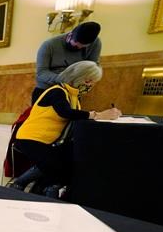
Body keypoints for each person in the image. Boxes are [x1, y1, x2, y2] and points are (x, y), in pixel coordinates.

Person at [9, 61, 121, 197]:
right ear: (78, 77)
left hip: (48, 141)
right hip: (30, 139)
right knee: (57, 169)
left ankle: (34, 188)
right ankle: (34, 189)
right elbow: (65, 112)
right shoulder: (57, 91)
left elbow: (76, 117)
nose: (90, 85)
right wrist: (97, 115)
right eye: (88, 81)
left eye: (93, 82)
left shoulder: (73, 96)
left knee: (67, 163)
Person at [33, 21, 102, 104]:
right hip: (46, 91)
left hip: (72, 92)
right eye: (76, 46)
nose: (78, 48)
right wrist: (65, 79)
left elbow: (91, 68)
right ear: (70, 35)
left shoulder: (95, 44)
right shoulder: (49, 45)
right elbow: (41, 73)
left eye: (82, 47)